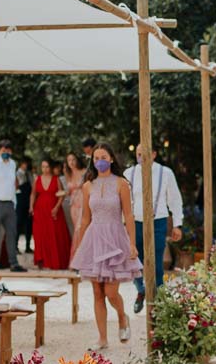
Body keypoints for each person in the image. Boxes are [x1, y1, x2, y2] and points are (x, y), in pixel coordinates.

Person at [70, 144, 141, 348]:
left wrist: (133, 244)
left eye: (103, 156)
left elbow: (128, 215)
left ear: (111, 159)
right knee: (97, 292)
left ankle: (122, 316)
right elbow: (85, 219)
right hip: (94, 239)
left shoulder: (121, 184)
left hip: (115, 238)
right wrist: (81, 247)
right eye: (95, 157)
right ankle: (102, 338)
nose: (99, 160)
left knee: (111, 292)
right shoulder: (87, 186)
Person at [124, 146, 184, 313]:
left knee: (156, 261)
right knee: (134, 261)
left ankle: (160, 300)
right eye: (138, 154)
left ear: (154, 154)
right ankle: (141, 291)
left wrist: (177, 224)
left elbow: (175, 200)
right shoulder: (129, 174)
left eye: (144, 153)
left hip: (158, 222)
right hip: (134, 222)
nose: (140, 157)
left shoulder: (165, 173)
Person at [0, 139, 25, 272]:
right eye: (4, 150)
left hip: (9, 203)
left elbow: (12, 183)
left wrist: (14, 201)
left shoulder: (12, 164)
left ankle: (14, 263)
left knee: (12, 233)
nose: (6, 152)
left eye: (8, 150)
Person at [30, 159, 72, 269]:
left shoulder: (56, 179)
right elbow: (33, 194)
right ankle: (42, 260)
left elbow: (62, 194)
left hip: (54, 210)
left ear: (50, 167)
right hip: (40, 210)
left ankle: (56, 261)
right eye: (43, 167)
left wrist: (57, 207)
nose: (45, 169)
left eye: (47, 166)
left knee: (55, 234)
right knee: (40, 235)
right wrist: (31, 207)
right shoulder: (37, 179)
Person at [64, 152, 87, 257]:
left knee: (81, 228)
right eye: (69, 160)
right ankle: (76, 258)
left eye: (73, 159)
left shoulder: (84, 172)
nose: (71, 162)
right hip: (73, 204)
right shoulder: (68, 174)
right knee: (76, 229)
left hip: (83, 202)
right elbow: (68, 191)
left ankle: (82, 257)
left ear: (77, 160)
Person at [15, 156, 33, 255]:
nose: (25, 165)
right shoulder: (15, 174)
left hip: (28, 201)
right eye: (24, 163)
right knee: (18, 224)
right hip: (19, 201)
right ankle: (15, 246)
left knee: (28, 225)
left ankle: (27, 246)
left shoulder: (29, 174)